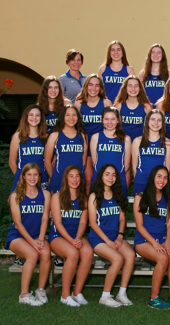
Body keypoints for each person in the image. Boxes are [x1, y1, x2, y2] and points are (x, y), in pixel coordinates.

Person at [133, 165, 170, 310]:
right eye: (159, 176)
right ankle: (153, 298)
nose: (162, 180)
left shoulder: (167, 198)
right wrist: (155, 244)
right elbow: (140, 226)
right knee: (162, 257)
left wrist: (167, 242)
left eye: (165, 178)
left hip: (162, 239)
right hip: (144, 241)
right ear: (153, 177)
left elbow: (169, 223)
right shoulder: (140, 196)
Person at [88, 164, 135, 307]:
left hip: (115, 237)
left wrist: (120, 236)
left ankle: (121, 293)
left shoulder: (118, 195)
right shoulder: (94, 196)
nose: (111, 177)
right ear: (101, 176)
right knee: (117, 259)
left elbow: (122, 218)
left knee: (130, 255)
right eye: (107, 174)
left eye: (114, 175)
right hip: (99, 238)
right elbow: (93, 223)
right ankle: (105, 296)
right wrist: (107, 241)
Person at [6, 163, 51, 306]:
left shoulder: (45, 194)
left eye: (35, 174)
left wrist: (40, 238)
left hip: (38, 235)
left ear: (39, 177)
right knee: (32, 254)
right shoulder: (16, 195)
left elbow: (45, 218)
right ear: (24, 176)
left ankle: (40, 290)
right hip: (18, 236)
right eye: (29, 174)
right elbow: (18, 223)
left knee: (45, 253)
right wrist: (32, 242)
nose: (32, 178)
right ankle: (24, 295)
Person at [49, 165, 93, 306]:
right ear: (66, 179)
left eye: (77, 176)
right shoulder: (57, 197)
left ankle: (77, 293)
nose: (74, 179)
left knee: (88, 252)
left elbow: (83, 222)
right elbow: (58, 223)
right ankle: (65, 295)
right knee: (73, 254)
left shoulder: (83, 198)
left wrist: (78, 238)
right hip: (59, 236)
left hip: (76, 236)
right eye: (71, 176)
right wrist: (71, 241)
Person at [74, 74, 113, 192]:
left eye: (97, 85)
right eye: (90, 85)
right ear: (86, 87)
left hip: (101, 145)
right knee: (88, 179)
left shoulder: (106, 103)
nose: (93, 88)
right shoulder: (79, 104)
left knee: (103, 179)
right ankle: (87, 207)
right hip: (85, 144)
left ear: (101, 88)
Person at [45, 105, 87, 193]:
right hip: (58, 180)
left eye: (74, 115)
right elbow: (47, 161)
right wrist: (54, 177)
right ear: (62, 117)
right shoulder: (55, 135)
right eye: (67, 115)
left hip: (77, 182)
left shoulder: (82, 136)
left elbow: (83, 162)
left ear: (78, 117)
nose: (71, 118)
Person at [90, 107, 131, 197]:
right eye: (106, 119)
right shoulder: (95, 137)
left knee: (119, 207)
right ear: (102, 120)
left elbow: (126, 164)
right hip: (99, 179)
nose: (109, 122)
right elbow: (94, 162)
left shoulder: (126, 139)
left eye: (113, 119)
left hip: (118, 179)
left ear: (118, 120)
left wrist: (114, 176)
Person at [132, 110, 170, 195]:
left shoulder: (167, 143)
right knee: (140, 208)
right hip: (141, 182)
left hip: (159, 184)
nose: (156, 122)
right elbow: (135, 165)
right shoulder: (137, 141)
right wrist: (139, 180)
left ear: (163, 123)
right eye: (153, 119)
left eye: (159, 120)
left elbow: (167, 168)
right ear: (147, 121)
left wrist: (162, 182)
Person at [9, 104, 48, 191]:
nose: (34, 118)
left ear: (41, 118)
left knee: (43, 204)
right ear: (26, 117)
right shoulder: (18, 136)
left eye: (37, 115)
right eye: (31, 115)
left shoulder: (45, 137)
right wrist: (23, 179)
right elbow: (12, 162)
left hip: (41, 179)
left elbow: (49, 160)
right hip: (22, 180)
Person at [114, 75, 152, 142]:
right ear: (125, 88)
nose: (133, 89)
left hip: (140, 142)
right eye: (130, 86)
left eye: (136, 86)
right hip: (122, 141)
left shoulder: (146, 107)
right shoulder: (119, 106)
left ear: (140, 88)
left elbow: (151, 127)